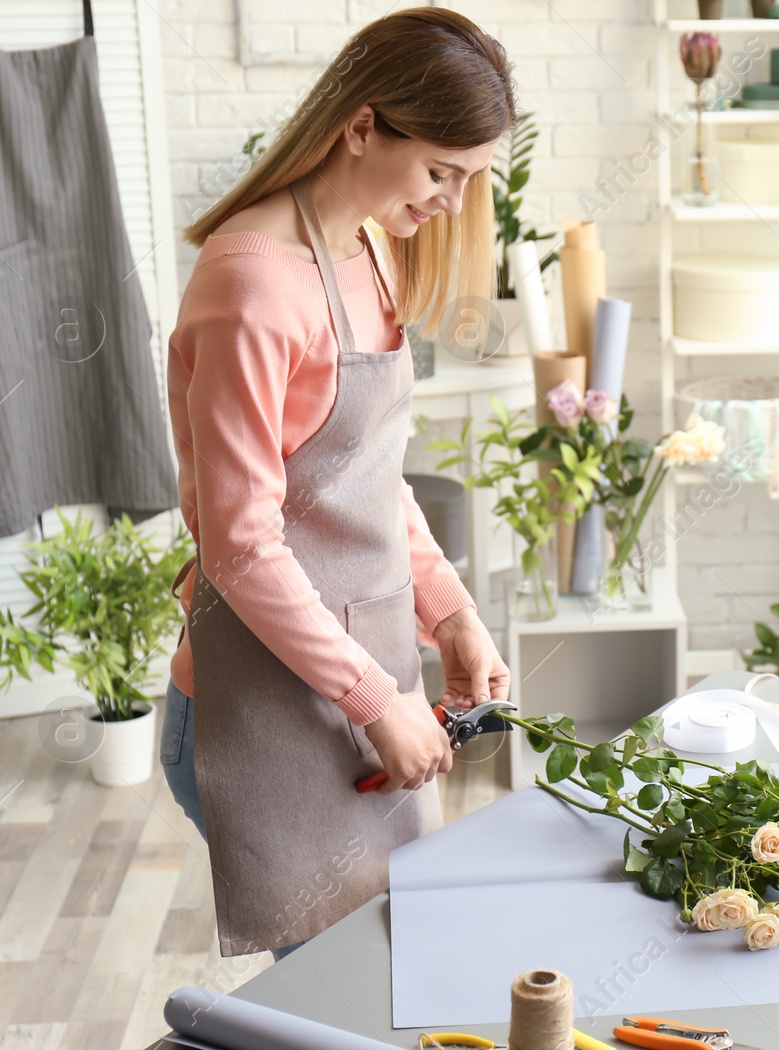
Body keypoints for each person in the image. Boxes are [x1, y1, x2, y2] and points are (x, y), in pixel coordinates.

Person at [158, 8, 513, 962]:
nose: (451, 201)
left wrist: (448, 612)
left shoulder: (369, 246)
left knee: (388, 979)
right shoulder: (251, 287)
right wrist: (375, 700)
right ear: (363, 127)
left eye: (469, 179)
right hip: (266, 712)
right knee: (339, 995)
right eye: (441, 171)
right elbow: (238, 546)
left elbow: (367, 472)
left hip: (359, 683)